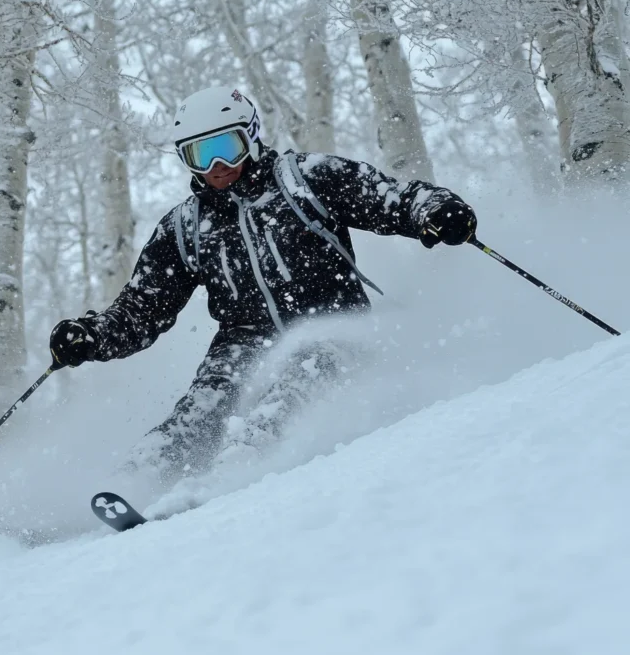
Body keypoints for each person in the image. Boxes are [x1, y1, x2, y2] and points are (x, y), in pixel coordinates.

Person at [49, 86, 477, 484]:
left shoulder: (306, 179)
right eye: (200, 155)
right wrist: (94, 336)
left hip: (332, 326)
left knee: (290, 390)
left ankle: (234, 474)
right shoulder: (185, 227)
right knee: (198, 413)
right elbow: (142, 308)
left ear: (250, 137)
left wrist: (432, 210)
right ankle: (132, 484)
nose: (216, 167)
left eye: (225, 148)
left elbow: (388, 197)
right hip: (242, 343)